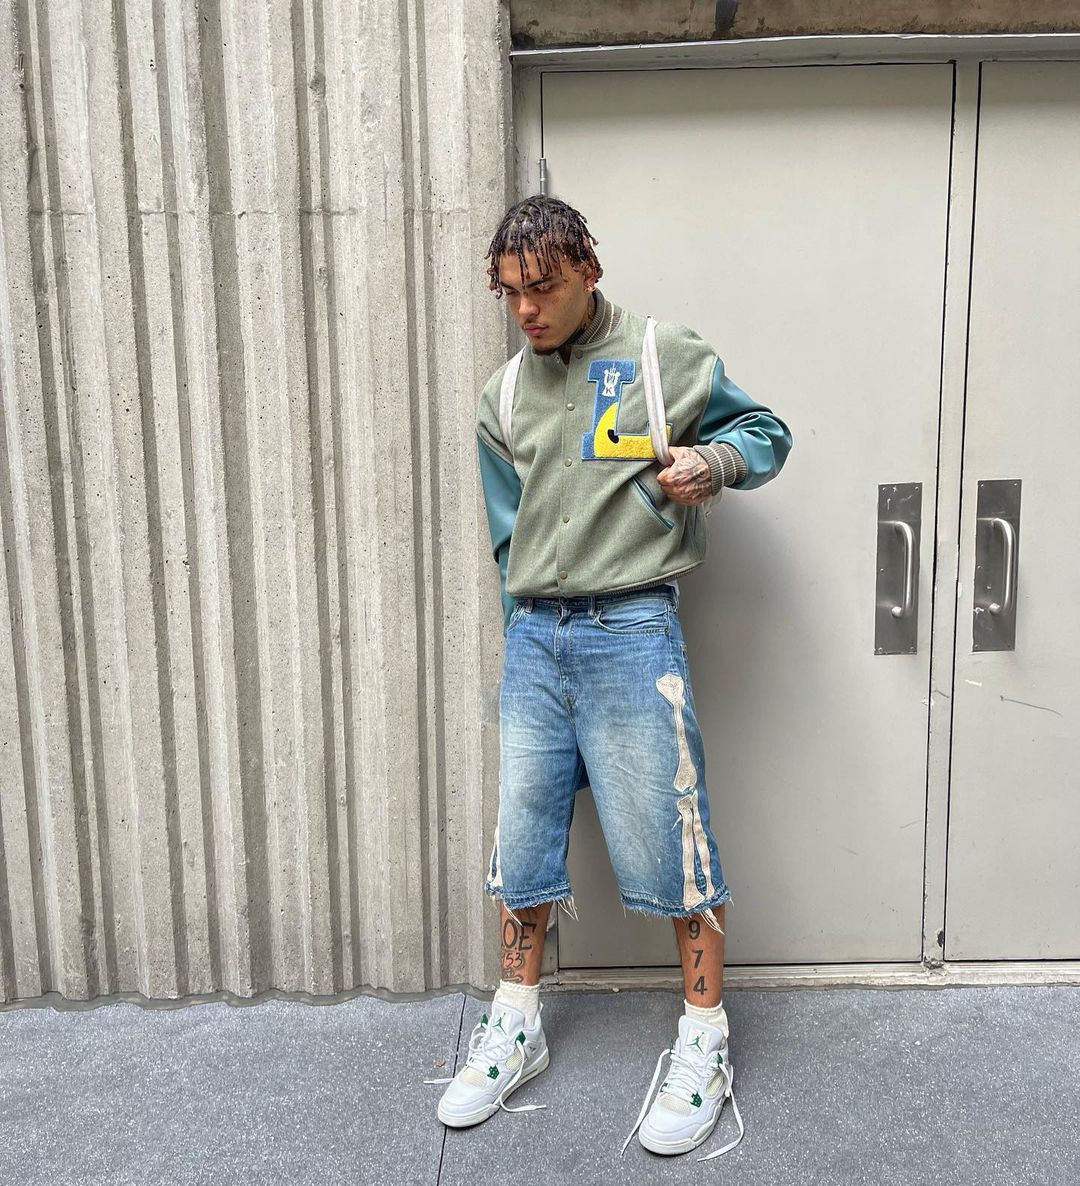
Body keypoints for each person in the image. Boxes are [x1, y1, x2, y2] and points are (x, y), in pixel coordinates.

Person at [435, 195, 792, 1159]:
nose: (526, 310)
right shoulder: (502, 395)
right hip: (534, 639)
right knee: (521, 840)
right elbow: (506, 536)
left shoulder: (660, 355)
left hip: (633, 628)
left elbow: (767, 431)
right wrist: (522, 635)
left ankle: (706, 1039)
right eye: (510, 293)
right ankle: (517, 1024)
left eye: (543, 288)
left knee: (673, 838)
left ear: (588, 270)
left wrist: (713, 462)